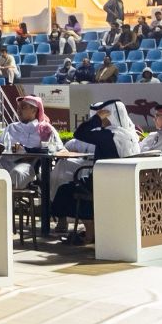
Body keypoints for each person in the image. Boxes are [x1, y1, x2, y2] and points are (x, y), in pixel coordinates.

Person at [53, 100, 141, 244]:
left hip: (105, 181)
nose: (101, 119)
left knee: (66, 190)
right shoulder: (130, 133)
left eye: (103, 115)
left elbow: (79, 133)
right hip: (123, 181)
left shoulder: (109, 135)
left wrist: (95, 119)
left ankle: (90, 233)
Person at [0, 95, 61, 191]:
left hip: (28, 165)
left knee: (17, 173)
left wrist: (30, 152)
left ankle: (5, 202)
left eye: (23, 107)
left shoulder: (45, 129)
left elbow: (58, 148)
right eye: (18, 107)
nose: (19, 110)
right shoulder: (11, 127)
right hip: (5, 163)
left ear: (34, 110)